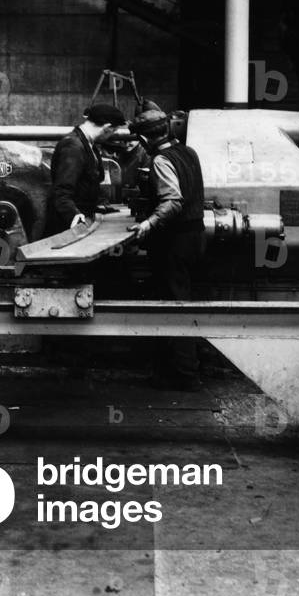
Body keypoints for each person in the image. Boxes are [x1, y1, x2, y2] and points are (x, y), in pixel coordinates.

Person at [127, 103, 205, 391]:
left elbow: (173, 201)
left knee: (174, 306)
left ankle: (184, 375)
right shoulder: (189, 151)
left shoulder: (160, 160)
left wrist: (147, 224)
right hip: (196, 237)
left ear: (145, 139)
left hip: (174, 242)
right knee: (181, 301)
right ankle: (178, 370)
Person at [47, 103, 127, 236]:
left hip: (84, 216)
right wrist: (74, 215)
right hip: (68, 224)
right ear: (107, 128)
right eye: (113, 131)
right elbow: (61, 191)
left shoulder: (90, 146)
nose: (111, 136)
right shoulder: (73, 146)